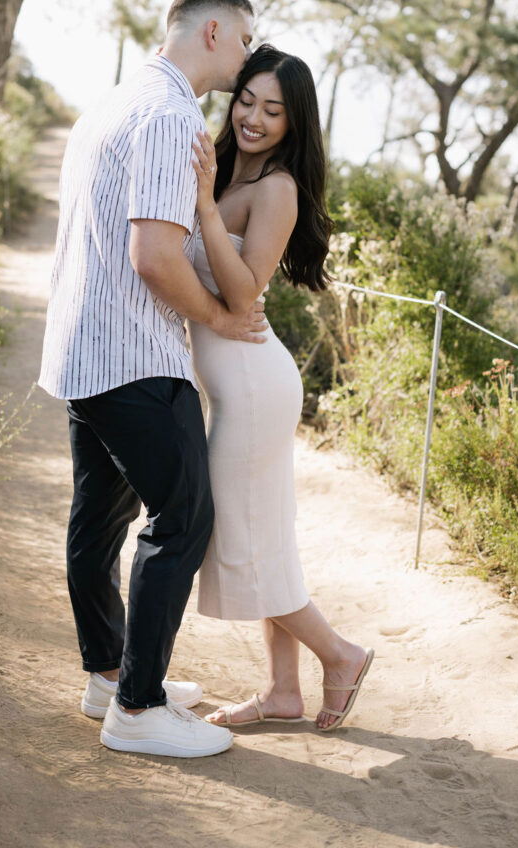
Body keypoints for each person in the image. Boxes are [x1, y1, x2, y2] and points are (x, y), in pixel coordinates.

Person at [38, 0, 268, 758]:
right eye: (243, 37)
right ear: (210, 34)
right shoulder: (171, 116)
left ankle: (108, 674)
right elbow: (152, 257)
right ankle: (135, 710)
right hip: (135, 355)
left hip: (82, 350)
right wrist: (222, 317)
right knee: (183, 520)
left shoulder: (112, 102)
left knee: (98, 523)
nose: (246, 52)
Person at [187, 45, 374, 731]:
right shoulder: (225, 169)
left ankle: (341, 655)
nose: (254, 119)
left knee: (242, 539)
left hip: (253, 389)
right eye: (246, 101)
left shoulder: (276, 190)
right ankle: (282, 694)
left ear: (293, 123)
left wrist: (206, 209)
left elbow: (242, 294)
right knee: (268, 539)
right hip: (236, 384)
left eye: (273, 110)